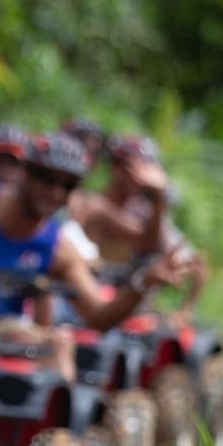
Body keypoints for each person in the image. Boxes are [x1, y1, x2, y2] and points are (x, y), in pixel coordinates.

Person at [0, 131, 186, 331]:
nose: (56, 193)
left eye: (68, 186)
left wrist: (144, 283)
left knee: (56, 344)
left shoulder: (59, 248)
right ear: (25, 173)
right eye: (47, 179)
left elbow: (99, 316)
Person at [72, 134, 206, 316]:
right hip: (90, 305)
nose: (141, 177)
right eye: (135, 169)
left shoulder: (144, 213)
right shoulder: (94, 206)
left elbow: (196, 266)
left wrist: (185, 311)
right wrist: (159, 198)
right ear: (116, 168)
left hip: (128, 310)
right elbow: (145, 241)